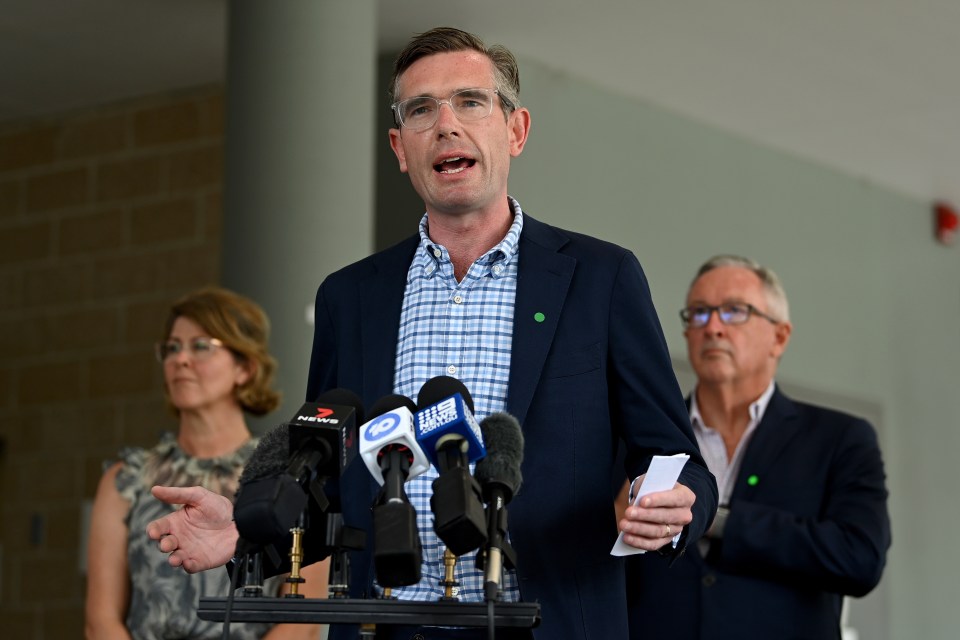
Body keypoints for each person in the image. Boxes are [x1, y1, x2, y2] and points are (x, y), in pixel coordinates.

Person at [147, 27, 718, 640]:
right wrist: (245, 532)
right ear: (399, 147)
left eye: (470, 101)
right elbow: (331, 484)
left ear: (516, 130)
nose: (446, 124)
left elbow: (672, 456)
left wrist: (673, 503)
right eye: (422, 109)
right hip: (386, 627)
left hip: (545, 622)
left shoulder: (601, 279)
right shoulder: (350, 297)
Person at [623, 255, 891, 639]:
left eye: (734, 311)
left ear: (779, 337)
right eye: (699, 313)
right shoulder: (637, 437)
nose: (712, 327)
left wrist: (714, 519)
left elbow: (860, 558)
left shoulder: (840, 438)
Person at [85, 286, 326, 640]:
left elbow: (301, 621)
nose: (180, 359)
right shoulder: (127, 478)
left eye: (201, 346)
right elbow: (100, 622)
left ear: (244, 367)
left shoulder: (291, 471)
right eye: (172, 347)